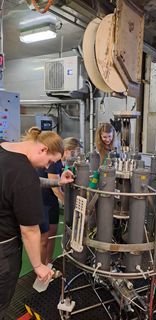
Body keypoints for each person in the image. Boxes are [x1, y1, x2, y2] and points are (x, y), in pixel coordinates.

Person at [0, 127, 73, 318]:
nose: (48, 166)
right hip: (3, 251)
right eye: (50, 161)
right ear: (43, 150)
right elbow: (30, 231)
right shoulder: (24, 171)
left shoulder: (4, 148)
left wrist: (57, 183)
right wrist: (39, 266)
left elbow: (26, 181)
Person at [38, 137, 81, 265]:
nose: (75, 157)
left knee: (51, 237)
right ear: (67, 150)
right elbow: (56, 189)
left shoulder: (61, 163)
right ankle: (41, 270)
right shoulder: (54, 163)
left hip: (51, 203)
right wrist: (70, 206)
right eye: (74, 153)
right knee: (44, 239)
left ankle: (49, 265)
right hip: (43, 203)